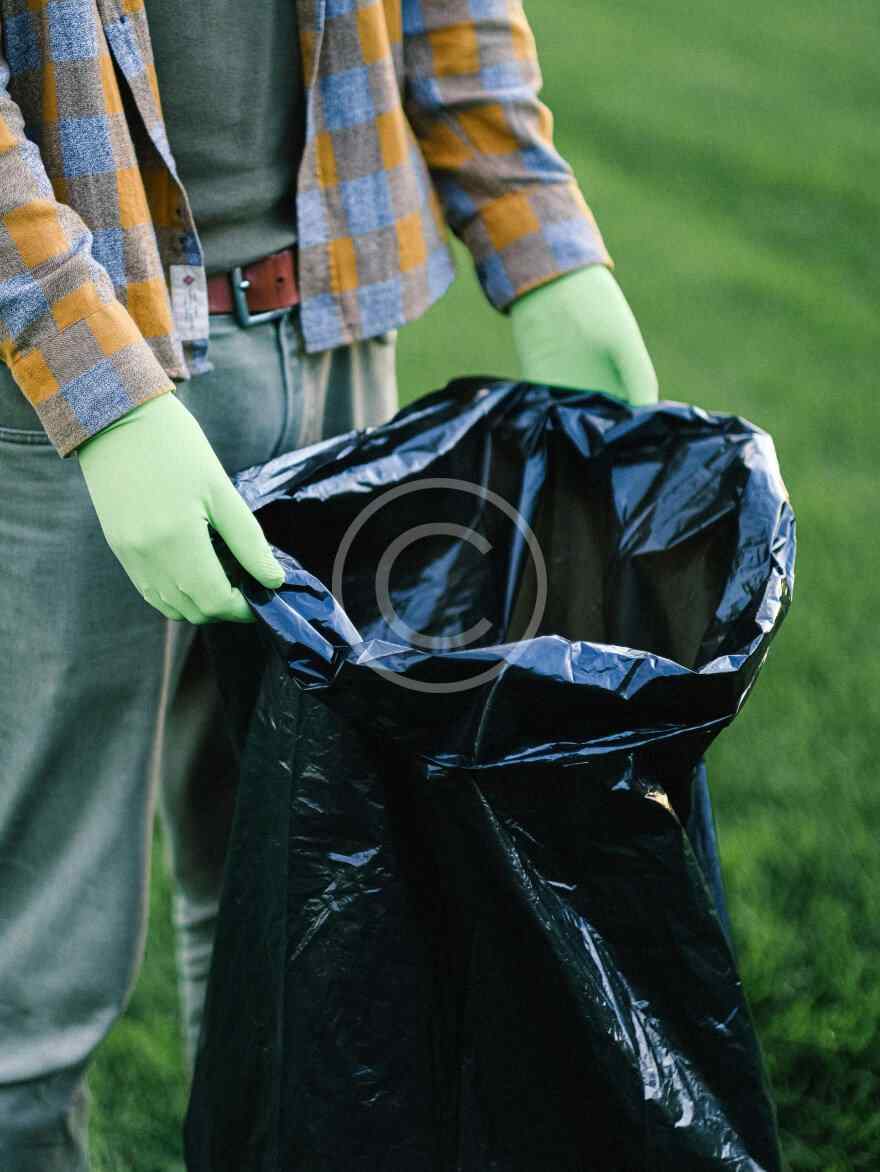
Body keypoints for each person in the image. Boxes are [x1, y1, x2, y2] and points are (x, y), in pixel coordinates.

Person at [0, 1, 657, 1167]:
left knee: (302, 908)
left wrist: (536, 229)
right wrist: (91, 378)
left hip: (333, 329)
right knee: (33, 973)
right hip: (45, 395)